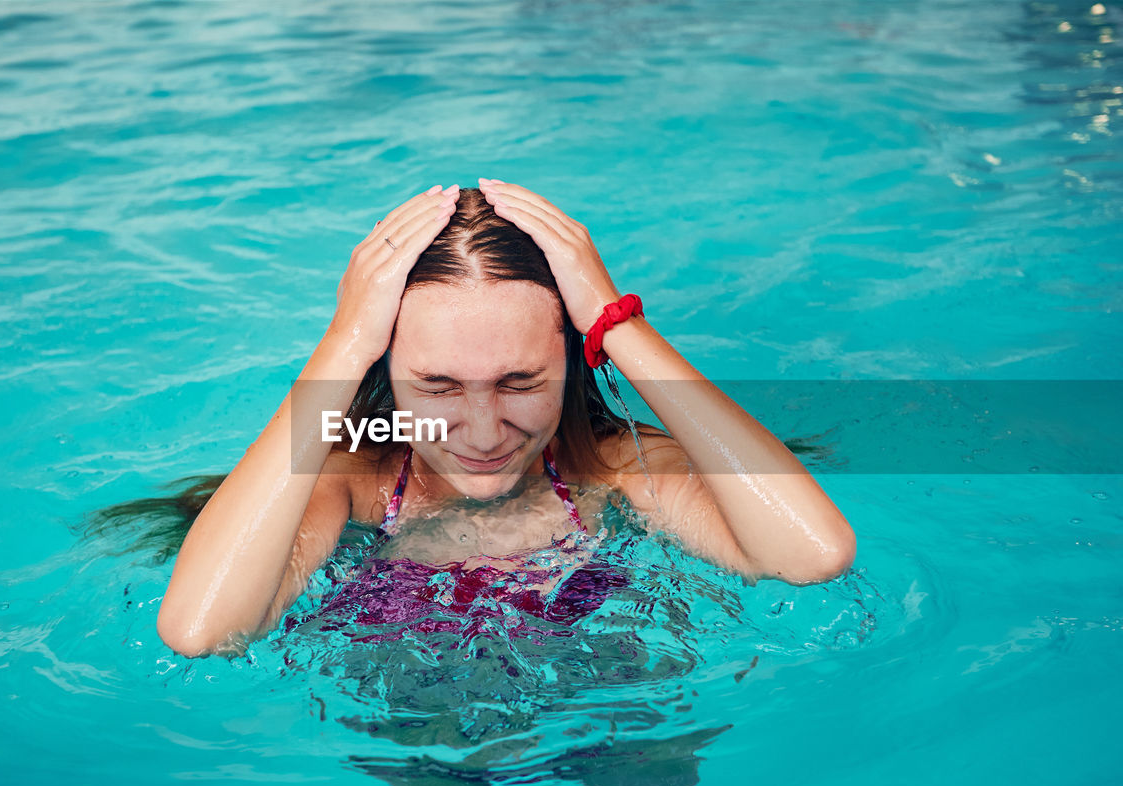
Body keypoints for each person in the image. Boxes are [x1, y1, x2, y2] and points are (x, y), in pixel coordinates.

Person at [152, 180, 856, 659]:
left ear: (572, 365)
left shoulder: (613, 466)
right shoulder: (355, 476)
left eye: (520, 382)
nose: (484, 432)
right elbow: (201, 629)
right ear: (384, 374)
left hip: (608, 713)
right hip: (418, 736)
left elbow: (812, 553)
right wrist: (343, 343)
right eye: (438, 386)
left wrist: (617, 325)